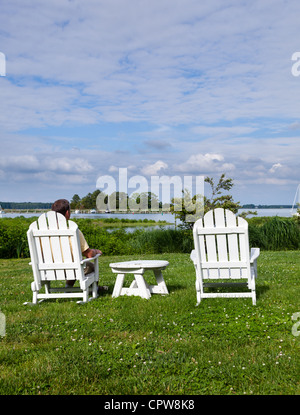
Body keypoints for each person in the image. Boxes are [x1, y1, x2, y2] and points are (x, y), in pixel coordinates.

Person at [51, 199, 107, 294]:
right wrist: (96, 251)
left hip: (50, 270)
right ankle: (95, 289)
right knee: (90, 266)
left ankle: (68, 289)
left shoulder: (41, 231)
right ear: (67, 213)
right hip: (72, 269)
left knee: (74, 264)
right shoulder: (73, 231)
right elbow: (89, 255)